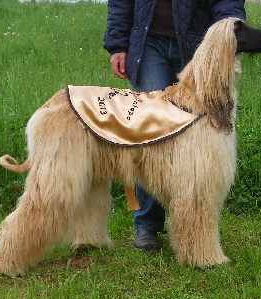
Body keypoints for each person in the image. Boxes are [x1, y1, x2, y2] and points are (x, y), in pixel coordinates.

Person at [103, 0, 246, 251]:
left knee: (200, 147)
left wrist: (232, 26)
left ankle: (195, 229)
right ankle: (147, 226)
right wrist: (117, 44)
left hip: (197, 41)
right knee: (150, 138)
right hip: (148, 43)